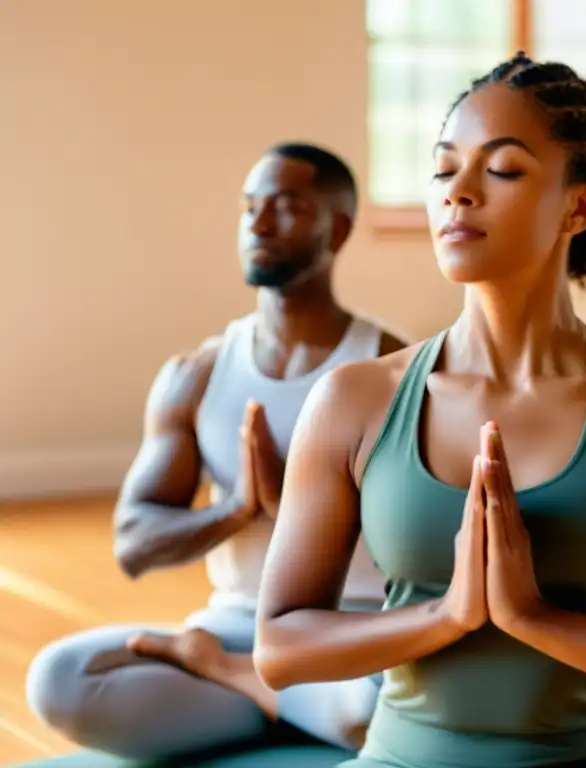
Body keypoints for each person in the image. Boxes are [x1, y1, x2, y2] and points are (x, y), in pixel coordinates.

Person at [252, 54, 586, 768]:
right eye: (445, 170)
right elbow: (279, 648)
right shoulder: (354, 400)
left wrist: (532, 619)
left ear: (579, 206)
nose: (459, 193)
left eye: (501, 170)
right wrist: (447, 615)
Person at [25, 142, 406, 761]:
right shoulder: (197, 374)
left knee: (430, 704)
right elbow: (134, 540)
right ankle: (291, 703)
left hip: (355, 635)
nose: (256, 224)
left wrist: (302, 510)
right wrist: (234, 510)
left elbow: (426, 541)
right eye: (248, 206)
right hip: (241, 628)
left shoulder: (393, 368)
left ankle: (250, 695)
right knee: (64, 679)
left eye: (284, 207)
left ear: (335, 229)